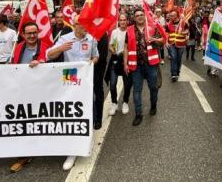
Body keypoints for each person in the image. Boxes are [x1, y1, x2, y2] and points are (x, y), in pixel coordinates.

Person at [46, 17, 99, 171]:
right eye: (84, 25)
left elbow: (96, 55)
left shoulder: (91, 39)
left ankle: (85, 139)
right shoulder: (64, 38)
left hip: (86, 78)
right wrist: (60, 49)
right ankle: (71, 147)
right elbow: (49, 54)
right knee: (72, 109)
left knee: (88, 106)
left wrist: (93, 62)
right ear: (75, 26)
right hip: (69, 77)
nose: (86, 28)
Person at [9, 22, 52, 173]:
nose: (32, 36)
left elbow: (54, 64)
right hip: (22, 90)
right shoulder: (18, 47)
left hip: (41, 91)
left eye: (34, 32)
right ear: (23, 35)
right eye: (29, 33)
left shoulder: (47, 46)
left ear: (38, 32)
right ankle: (26, 149)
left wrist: (42, 63)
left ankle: (40, 144)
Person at [123, 9, 165, 126]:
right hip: (136, 66)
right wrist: (125, 63)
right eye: (137, 15)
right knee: (137, 90)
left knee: (153, 88)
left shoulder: (152, 27)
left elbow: (163, 40)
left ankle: (153, 104)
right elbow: (126, 47)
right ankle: (138, 114)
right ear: (134, 18)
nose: (140, 17)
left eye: (142, 15)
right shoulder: (129, 30)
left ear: (144, 16)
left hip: (151, 65)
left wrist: (155, 39)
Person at [107, 14, 131, 116]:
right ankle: (114, 103)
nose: (122, 22)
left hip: (126, 61)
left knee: (127, 85)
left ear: (127, 21)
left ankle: (125, 102)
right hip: (115, 60)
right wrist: (113, 52)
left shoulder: (130, 32)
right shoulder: (114, 32)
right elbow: (111, 45)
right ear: (118, 21)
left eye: (124, 20)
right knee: (112, 84)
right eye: (121, 20)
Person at [166, 10, 188, 82]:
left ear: (177, 15)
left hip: (181, 43)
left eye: (173, 15)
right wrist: (166, 42)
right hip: (172, 43)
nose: (171, 17)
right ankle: (173, 74)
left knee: (178, 58)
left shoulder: (183, 23)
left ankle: (177, 71)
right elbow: (167, 33)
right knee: (173, 57)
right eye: (171, 15)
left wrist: (182, 32)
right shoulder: (168, 24)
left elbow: (187, 31)